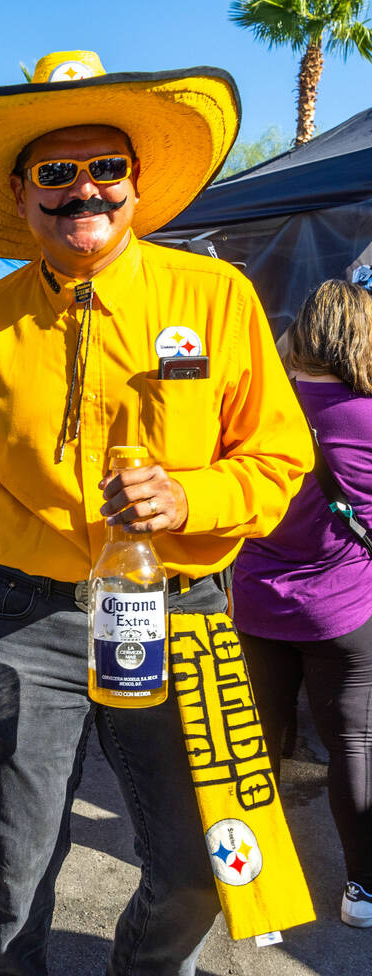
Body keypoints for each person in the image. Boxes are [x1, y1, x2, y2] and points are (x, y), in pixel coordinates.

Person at [0, 51, 313, 972]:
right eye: (56, 172)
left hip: (182, 612)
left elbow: (282, 455)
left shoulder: (214, 298)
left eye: (106, 169)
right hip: (20, 617)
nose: (83, 190)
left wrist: (190, 494)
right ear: (21, 194)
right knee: (10, 876)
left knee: (205, 866)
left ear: (135, 185)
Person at [233, 279, 372, 928]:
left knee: (257, 741)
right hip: (345, 609)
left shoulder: (261, 408)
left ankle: (252, 881)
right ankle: (362, 891)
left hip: (258, 603)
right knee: (353, 742)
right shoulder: (368, 415)